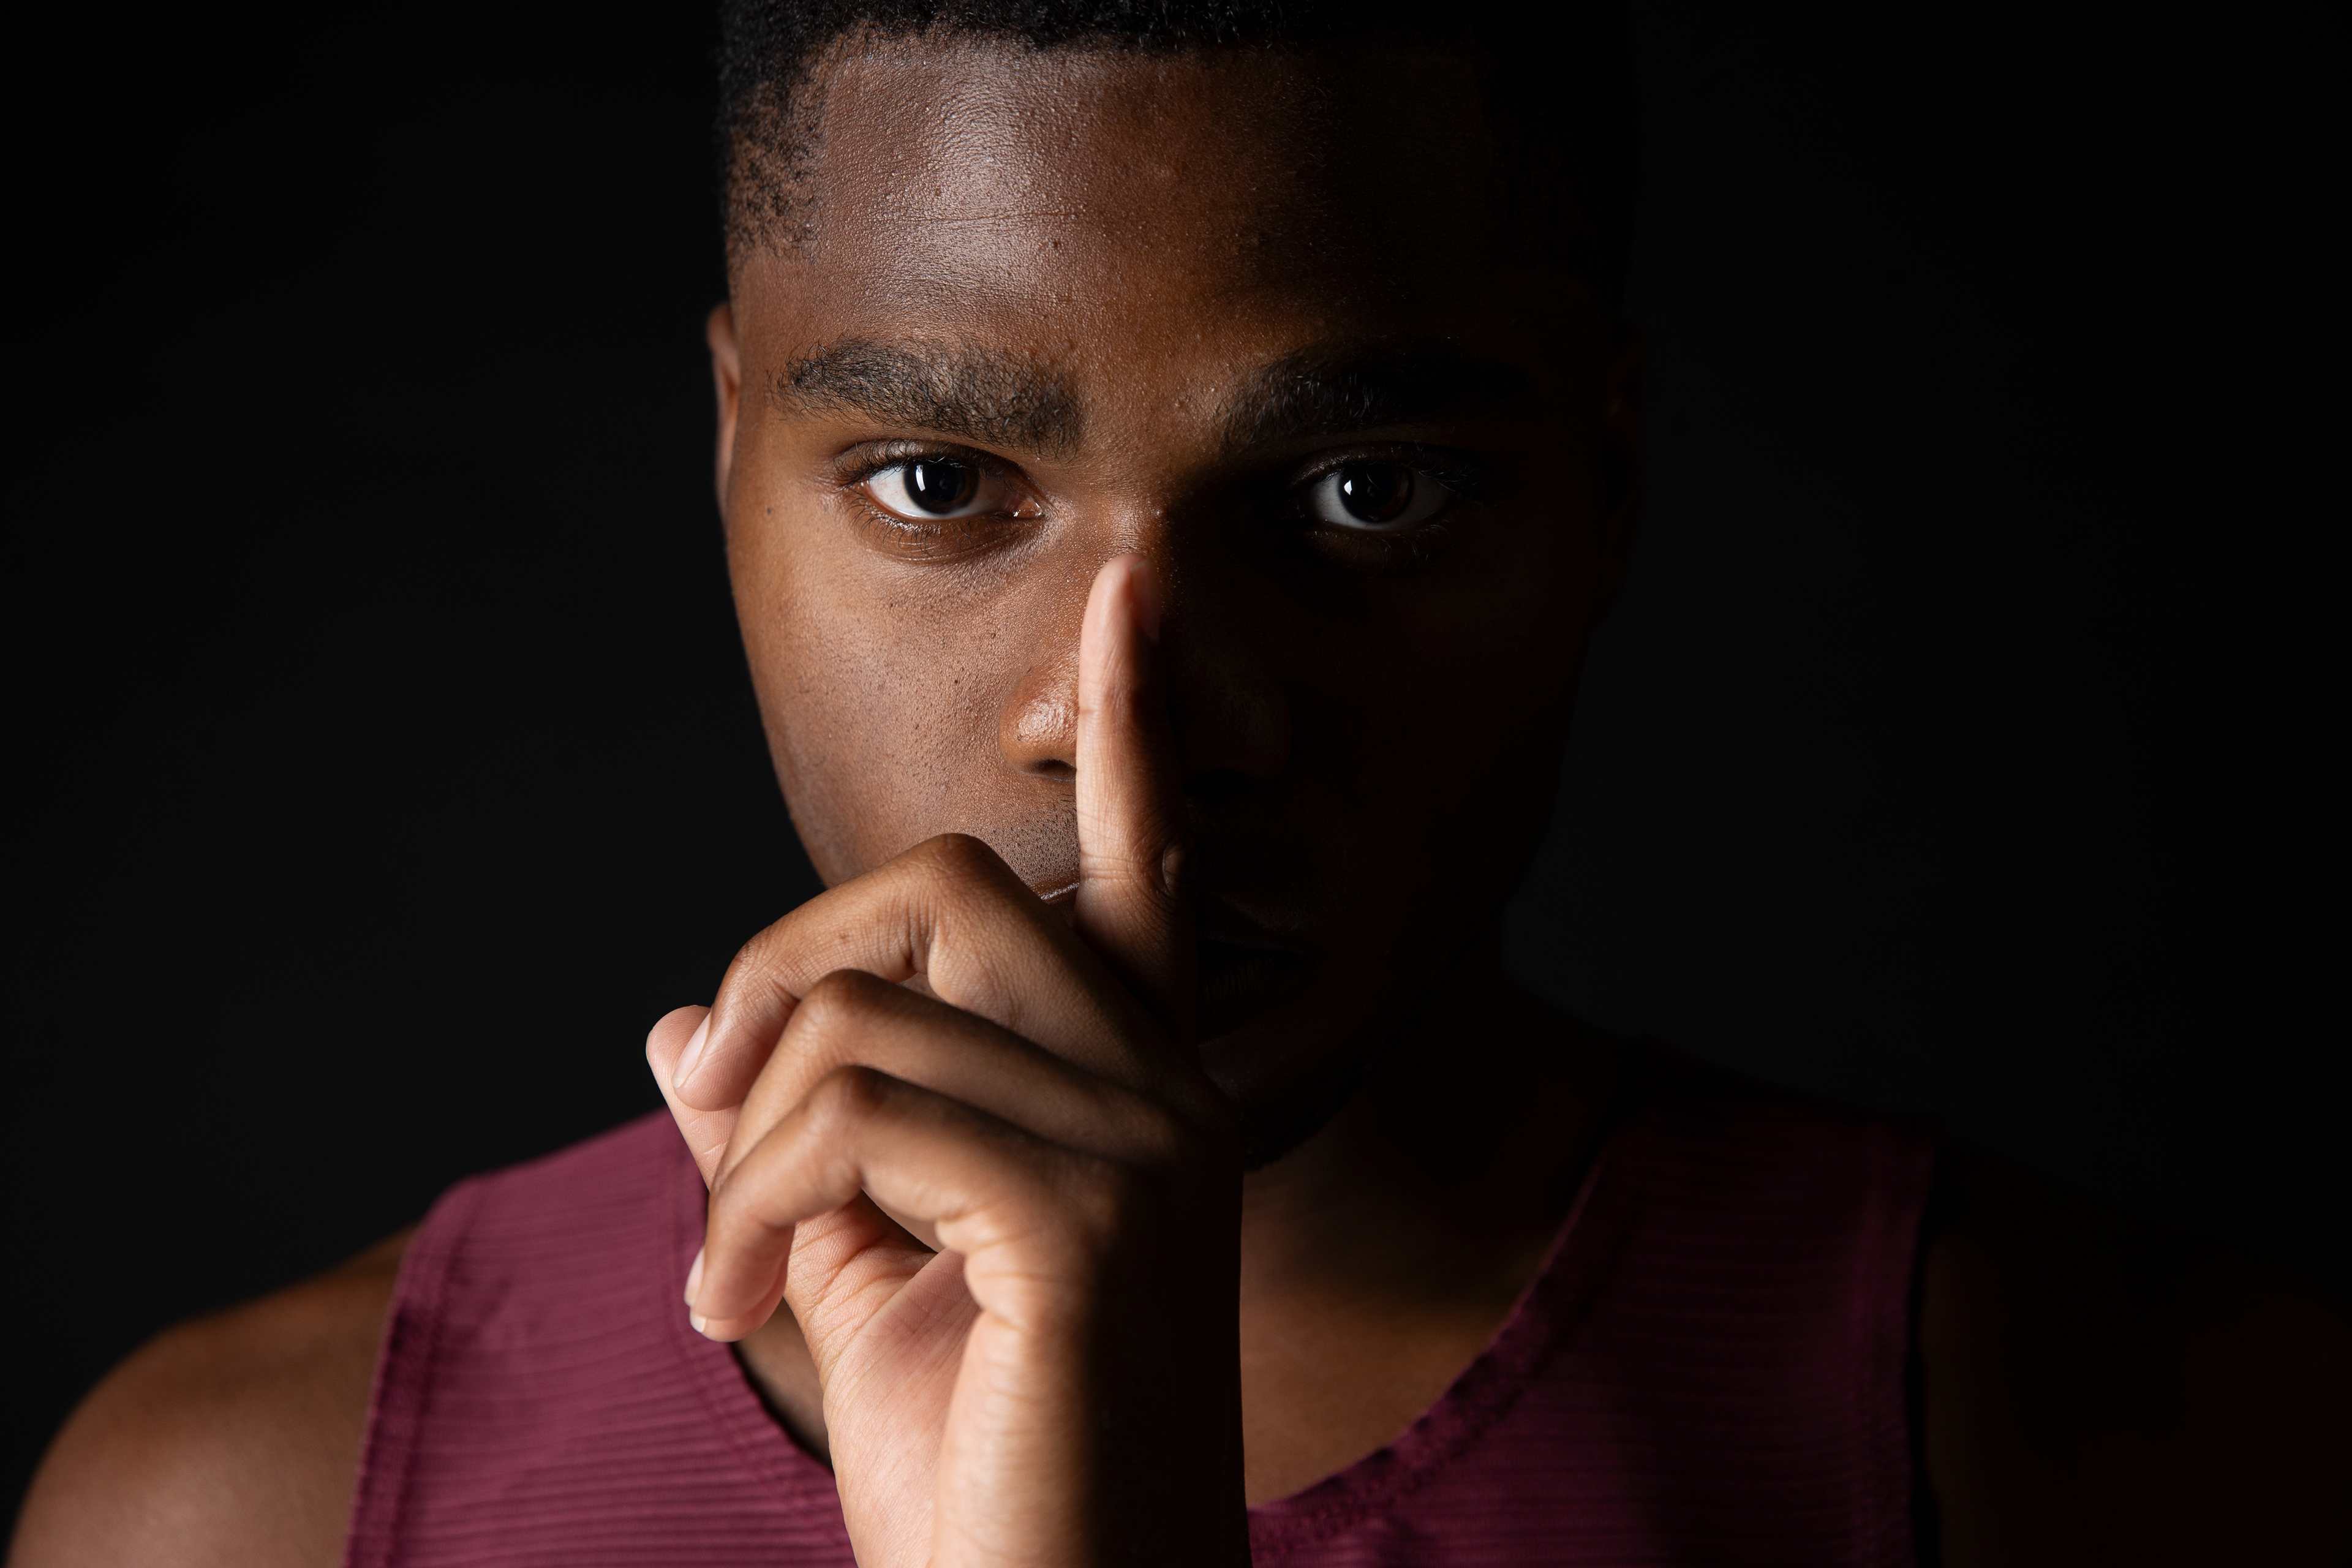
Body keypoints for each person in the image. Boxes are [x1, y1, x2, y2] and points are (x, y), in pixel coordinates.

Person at [13, 3, 2347, 1564]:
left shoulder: (2151, 1451)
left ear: (1607, 486)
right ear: (730, 449)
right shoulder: (244, 1508)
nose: (1124, 734)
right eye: (940, 482)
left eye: (1366, 497)